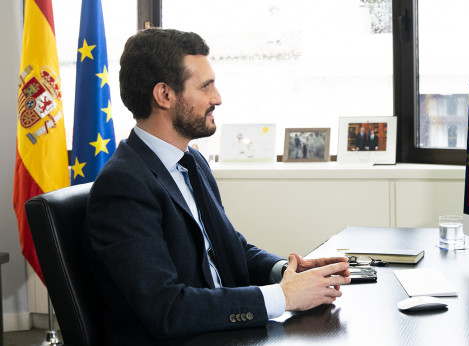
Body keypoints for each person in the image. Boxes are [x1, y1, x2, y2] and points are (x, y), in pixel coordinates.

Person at [83, 28, 350, 345]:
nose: (217, 98)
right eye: (205, 86)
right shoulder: (123, 185)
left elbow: (228, 247)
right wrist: (284, 297)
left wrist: (286, 272)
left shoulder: (192, 162)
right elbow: (167, 310)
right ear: (164, 95)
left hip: (222, 332)